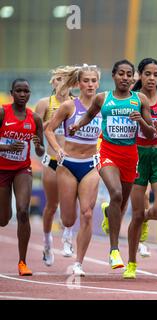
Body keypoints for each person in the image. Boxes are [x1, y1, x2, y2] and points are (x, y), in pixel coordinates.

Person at [69, 59, 155, 271]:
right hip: (107, 152)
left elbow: (151, 132)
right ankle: (114, 251)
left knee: (122, 203)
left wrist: (141, 121)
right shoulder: (102, 98)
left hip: (130, 156)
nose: (125, 78)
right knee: (115, 193)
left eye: (129, 75)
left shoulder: (140, 99)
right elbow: (88, 116)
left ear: (133, 78)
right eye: (121, 74)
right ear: (114, 76)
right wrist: (76, 125)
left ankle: (110, 213)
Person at [44, 65, 102, 277]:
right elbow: (49, 129)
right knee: (69, 218)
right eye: (85, 80)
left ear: (98, 83)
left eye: (93, 81)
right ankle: (66, 231)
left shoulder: (103, 106)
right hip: (68, 164)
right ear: (78, 84)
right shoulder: (69, 106)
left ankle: (79, 262)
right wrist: (58, 149)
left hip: (90, 164)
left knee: (87, 213)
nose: (90, 84)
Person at [124, 58, 157, 279]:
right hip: (138, 156)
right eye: (147, 74)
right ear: (140, 75)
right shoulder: (131, 98)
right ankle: (131, 264)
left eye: (156, 74)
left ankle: (145, 217)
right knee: (135, 214)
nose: (152, 78)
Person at [0, 79, 45, 275]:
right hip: (2, 169)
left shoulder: (35, 119)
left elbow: (42, 150)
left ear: (29, 94)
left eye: (26, 91)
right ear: (12, 93)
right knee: (3, 219)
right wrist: (7, 147)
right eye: (18, 90)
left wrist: (37, 146)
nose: (22, 94)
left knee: (23, 212)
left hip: (22, 169)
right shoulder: (2, 113)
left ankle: (22, 262)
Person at [35, 67, 77, 266]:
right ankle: (47, 242)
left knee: (71, 203)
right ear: (53, 82)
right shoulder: (45, 103)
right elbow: (35, 132)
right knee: (52, 206)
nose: (61, 82)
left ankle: (68, 238)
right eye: (58, 79)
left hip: (71, 161)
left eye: (65, 79)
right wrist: (53, 122)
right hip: (51, 161)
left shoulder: (76, 103)